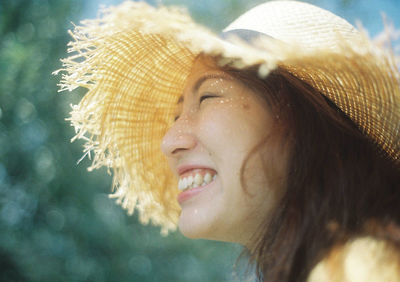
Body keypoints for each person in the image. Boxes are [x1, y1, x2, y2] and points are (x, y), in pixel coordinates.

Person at [56, 1, 400, 281]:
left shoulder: (360, 269)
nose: (169, 142)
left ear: (299, 118)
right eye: (176, 117)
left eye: (208, 97)